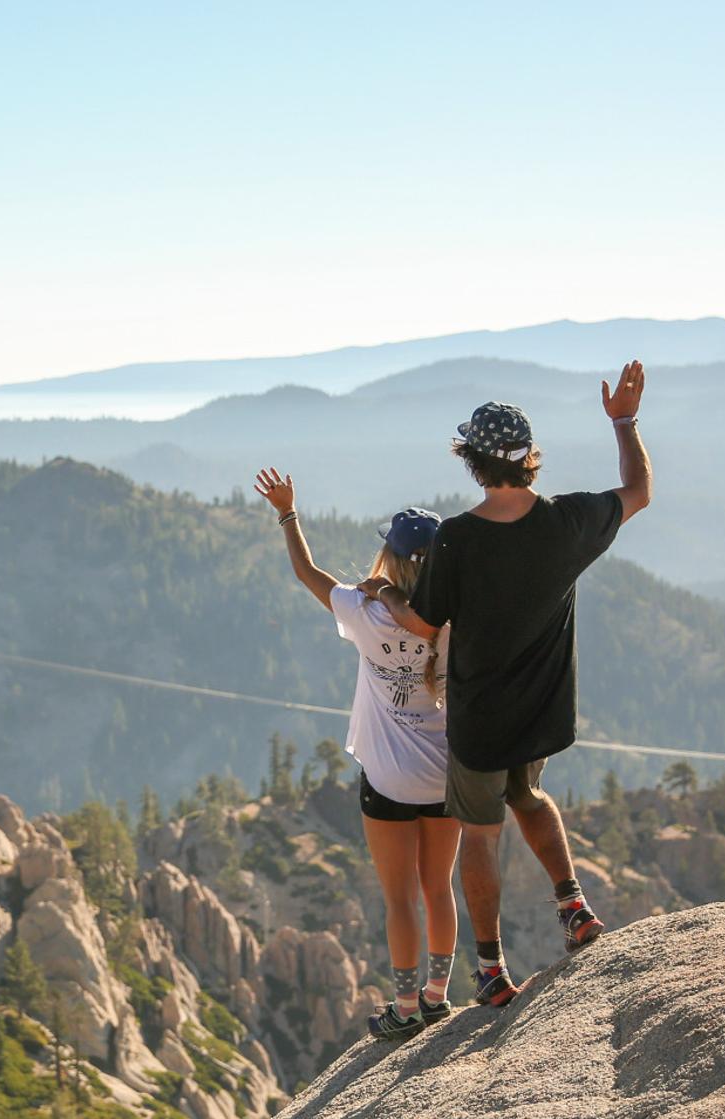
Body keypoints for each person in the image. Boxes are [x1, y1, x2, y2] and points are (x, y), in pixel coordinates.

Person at [370, 361, 652, 1009]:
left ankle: (493, 970)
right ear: (530, 459)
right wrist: (625, 422)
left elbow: (422, 621)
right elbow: (638, 489)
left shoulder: (461, 540)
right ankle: (573, 906)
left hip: (481, 719)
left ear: (473, 462)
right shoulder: (569, 522)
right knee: (529, 795)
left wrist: (385, 592)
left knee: (480, 832)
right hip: (542, 712)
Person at [253, 468, 460, 1042]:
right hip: (448, 779)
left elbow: (307, 573)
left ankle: (405, 1005)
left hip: (388, 781)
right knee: (437, 887)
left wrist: (287, 514)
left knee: (399, 898)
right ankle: (440, 996)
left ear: (389, 558)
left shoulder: (363, 611)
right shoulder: (455, 617)